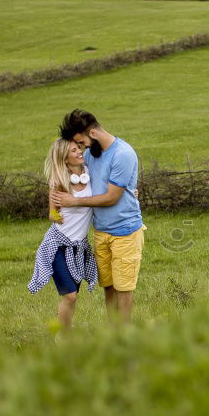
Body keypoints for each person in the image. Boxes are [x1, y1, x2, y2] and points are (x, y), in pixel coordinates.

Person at [53, 109, 145, 324]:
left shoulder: (123, 153)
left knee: (123, 289)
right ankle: (113, 334)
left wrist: (74, 202)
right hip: (101, 231)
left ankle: (123, 338)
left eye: (81, 142)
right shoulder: (90, 155)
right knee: (109, 288)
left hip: (125, 232)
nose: (81, 148)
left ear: (92, 134)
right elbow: (66, 166)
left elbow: (112, 197)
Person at [28, 139, 98, 333]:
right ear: (65, 159)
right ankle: (62, 336)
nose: (79, 152)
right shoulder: (59, 182)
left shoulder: (90, 175)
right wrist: (59, 215)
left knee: (73, 295)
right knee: (70, 295)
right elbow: (52, 213)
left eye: (78, 148)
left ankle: (65, 329)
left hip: (79, 247)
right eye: (73, 151)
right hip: (58, 245)